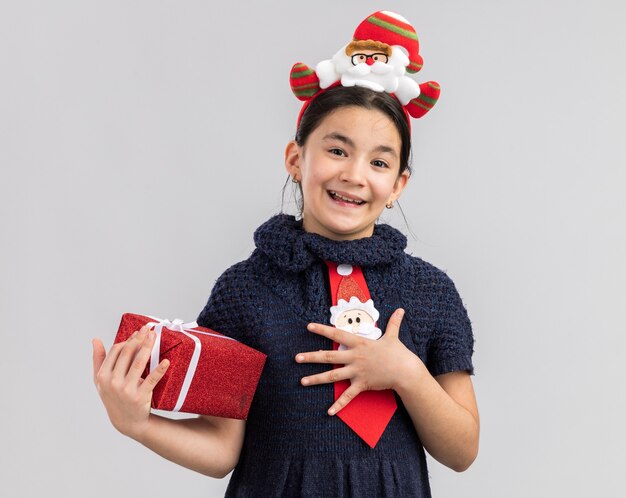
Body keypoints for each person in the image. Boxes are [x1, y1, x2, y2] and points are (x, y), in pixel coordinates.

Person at [92, 11, 479, 497]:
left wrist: (406, 374)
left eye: (379, 161)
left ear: (398, 184)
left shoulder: (432, 293)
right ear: (297, 159)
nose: (355, 175)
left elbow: (462, 451)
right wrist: (138, 423)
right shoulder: (244, 291)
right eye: (337, 150)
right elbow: (222, 450)